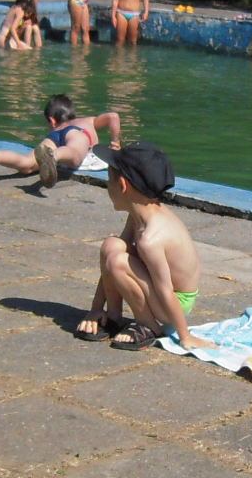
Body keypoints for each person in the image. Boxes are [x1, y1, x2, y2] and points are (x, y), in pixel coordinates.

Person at [74, 142, 213, 351]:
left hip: (175, 302)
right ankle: (112, 317)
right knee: (112, 246)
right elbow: (112, 257)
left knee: (119, 262)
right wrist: (95, 308)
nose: (108, 187)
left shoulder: (151, 239)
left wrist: (185, 336)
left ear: (122, 185)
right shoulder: (139, 215)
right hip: (160, 293)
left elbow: (165, 290)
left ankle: (149, 326)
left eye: (109, 181)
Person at [0, 93, 121, 189]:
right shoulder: (87, 121)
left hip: (53, 138)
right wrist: (115, 144)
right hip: (77, 134)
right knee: (74, 154)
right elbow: (113, 116)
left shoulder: (54, 129)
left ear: (52, 120)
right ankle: (53, 156)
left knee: (27, 164)